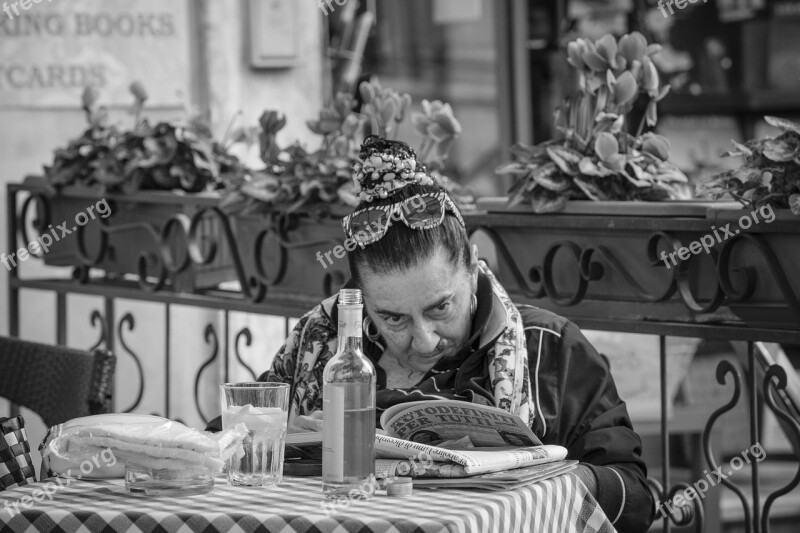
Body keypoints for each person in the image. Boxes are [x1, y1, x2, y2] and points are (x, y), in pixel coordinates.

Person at [257, 136, 654, 532]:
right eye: (393, 319)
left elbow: (635, 497)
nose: (425, 339)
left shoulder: (548, 346)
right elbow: (233, 440)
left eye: (440, 308)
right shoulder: (318, 343)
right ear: (360, 301)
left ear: (473, 269)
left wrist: (546, 486)